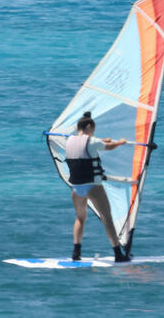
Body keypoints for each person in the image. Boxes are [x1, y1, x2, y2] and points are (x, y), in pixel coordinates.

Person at [65, 111, 132, 262]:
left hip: (76, 187)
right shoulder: (93, 142)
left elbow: (88, 143)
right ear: (89, 126)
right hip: (92, 186)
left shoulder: (69, 140)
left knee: (80, 218)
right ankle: (118, 254)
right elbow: (109, 147)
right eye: (93, 130)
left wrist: (102, 139)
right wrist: (120, 142)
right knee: (107, 218)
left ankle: (76, 253)